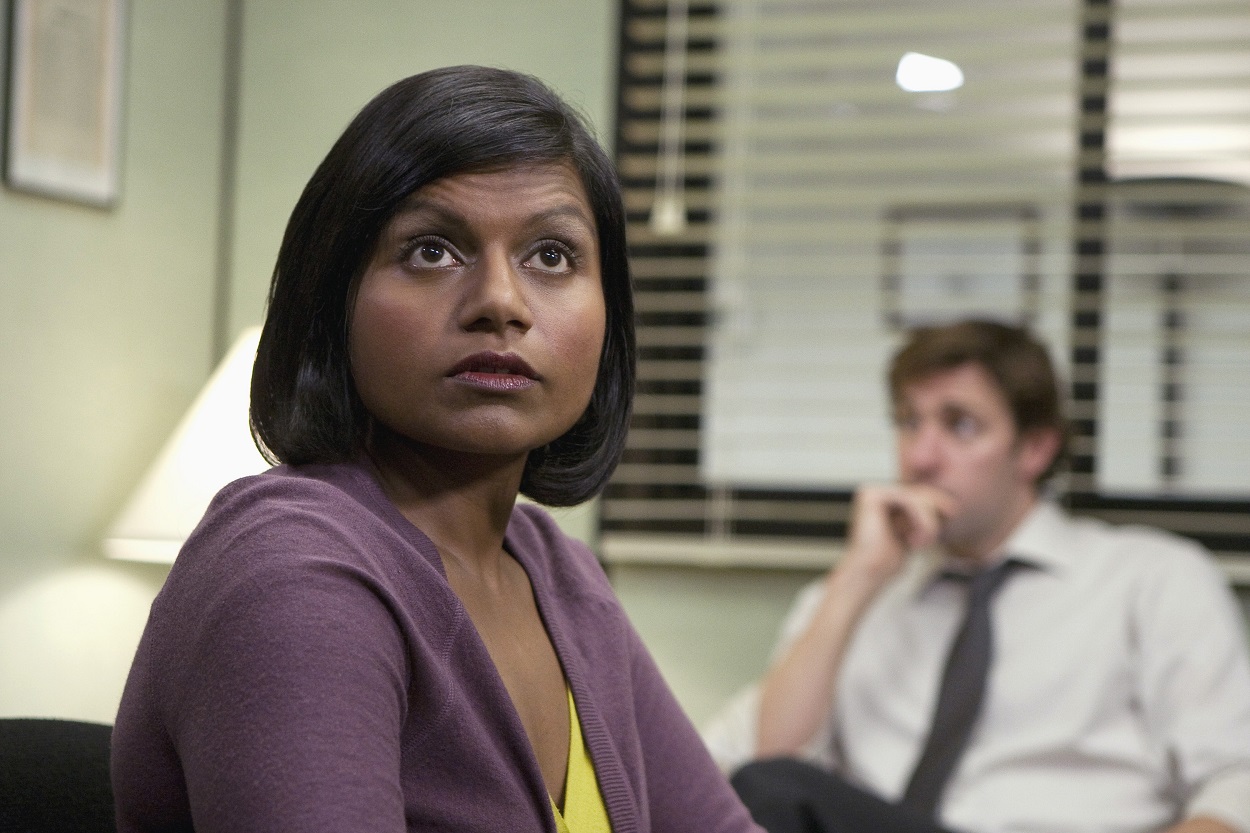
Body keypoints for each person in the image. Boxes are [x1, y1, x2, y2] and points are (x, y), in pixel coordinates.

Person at [111, 66, 763, 833]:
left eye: (552, 255)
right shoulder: (291, 573)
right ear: (334, 295)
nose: (500, 302)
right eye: (431, 250)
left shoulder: (557, 573)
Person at [702, 320, 1250, 833]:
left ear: (1035, 448)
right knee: (766, 784)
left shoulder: (1150, 579)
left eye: (960, 426)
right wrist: (856, 580)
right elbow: (749, 767)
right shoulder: (856, 593)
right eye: (909, 422)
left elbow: (1235, 780)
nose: (921, 456)